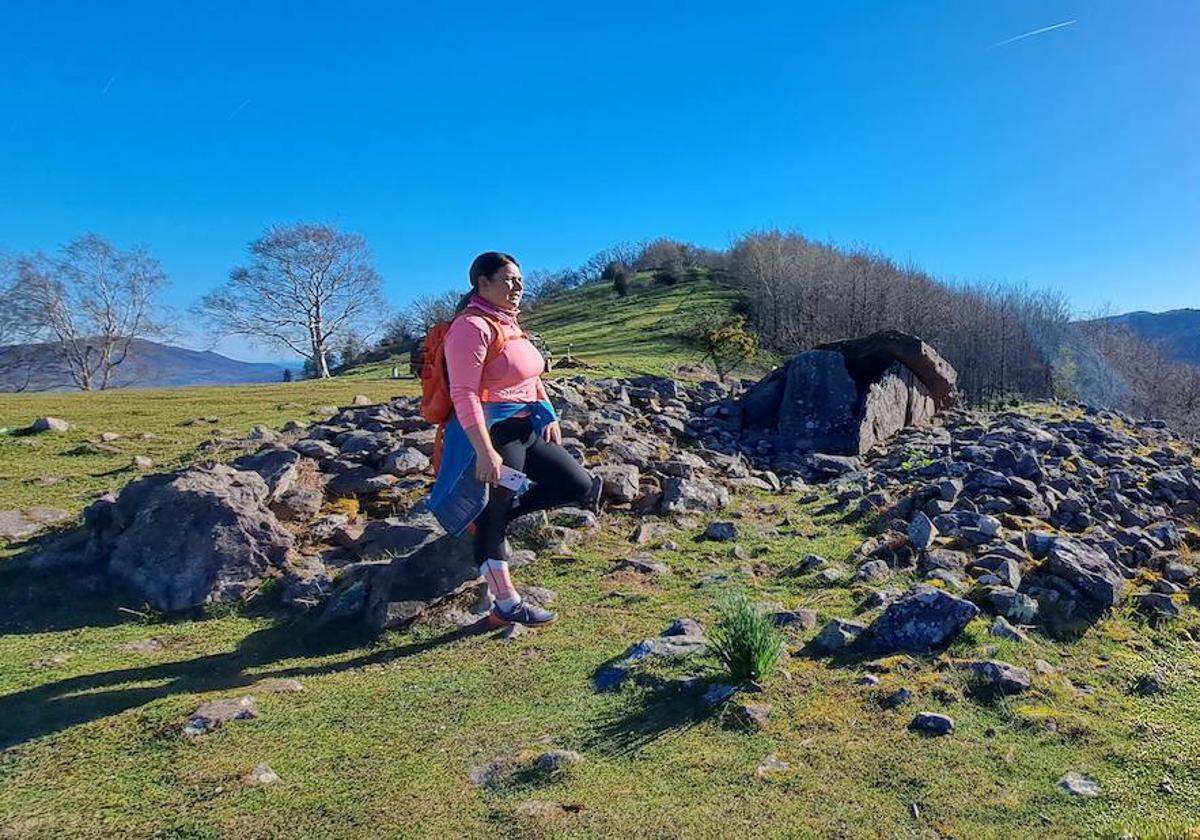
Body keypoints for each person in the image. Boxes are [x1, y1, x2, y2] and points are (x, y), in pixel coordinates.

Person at [427, 252, 600, 628]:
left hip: (525, 429)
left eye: (520, 280)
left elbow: (531, 374)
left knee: (577, 483)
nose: (517, 286)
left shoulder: (509, 324)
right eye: (508, 279)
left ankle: (494, 515)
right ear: (482, 283)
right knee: (496, 519)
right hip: (493, 435)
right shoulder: (471, 327)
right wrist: (484, 452)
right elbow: (464, 394)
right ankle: (506, 604)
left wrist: (548, 412)